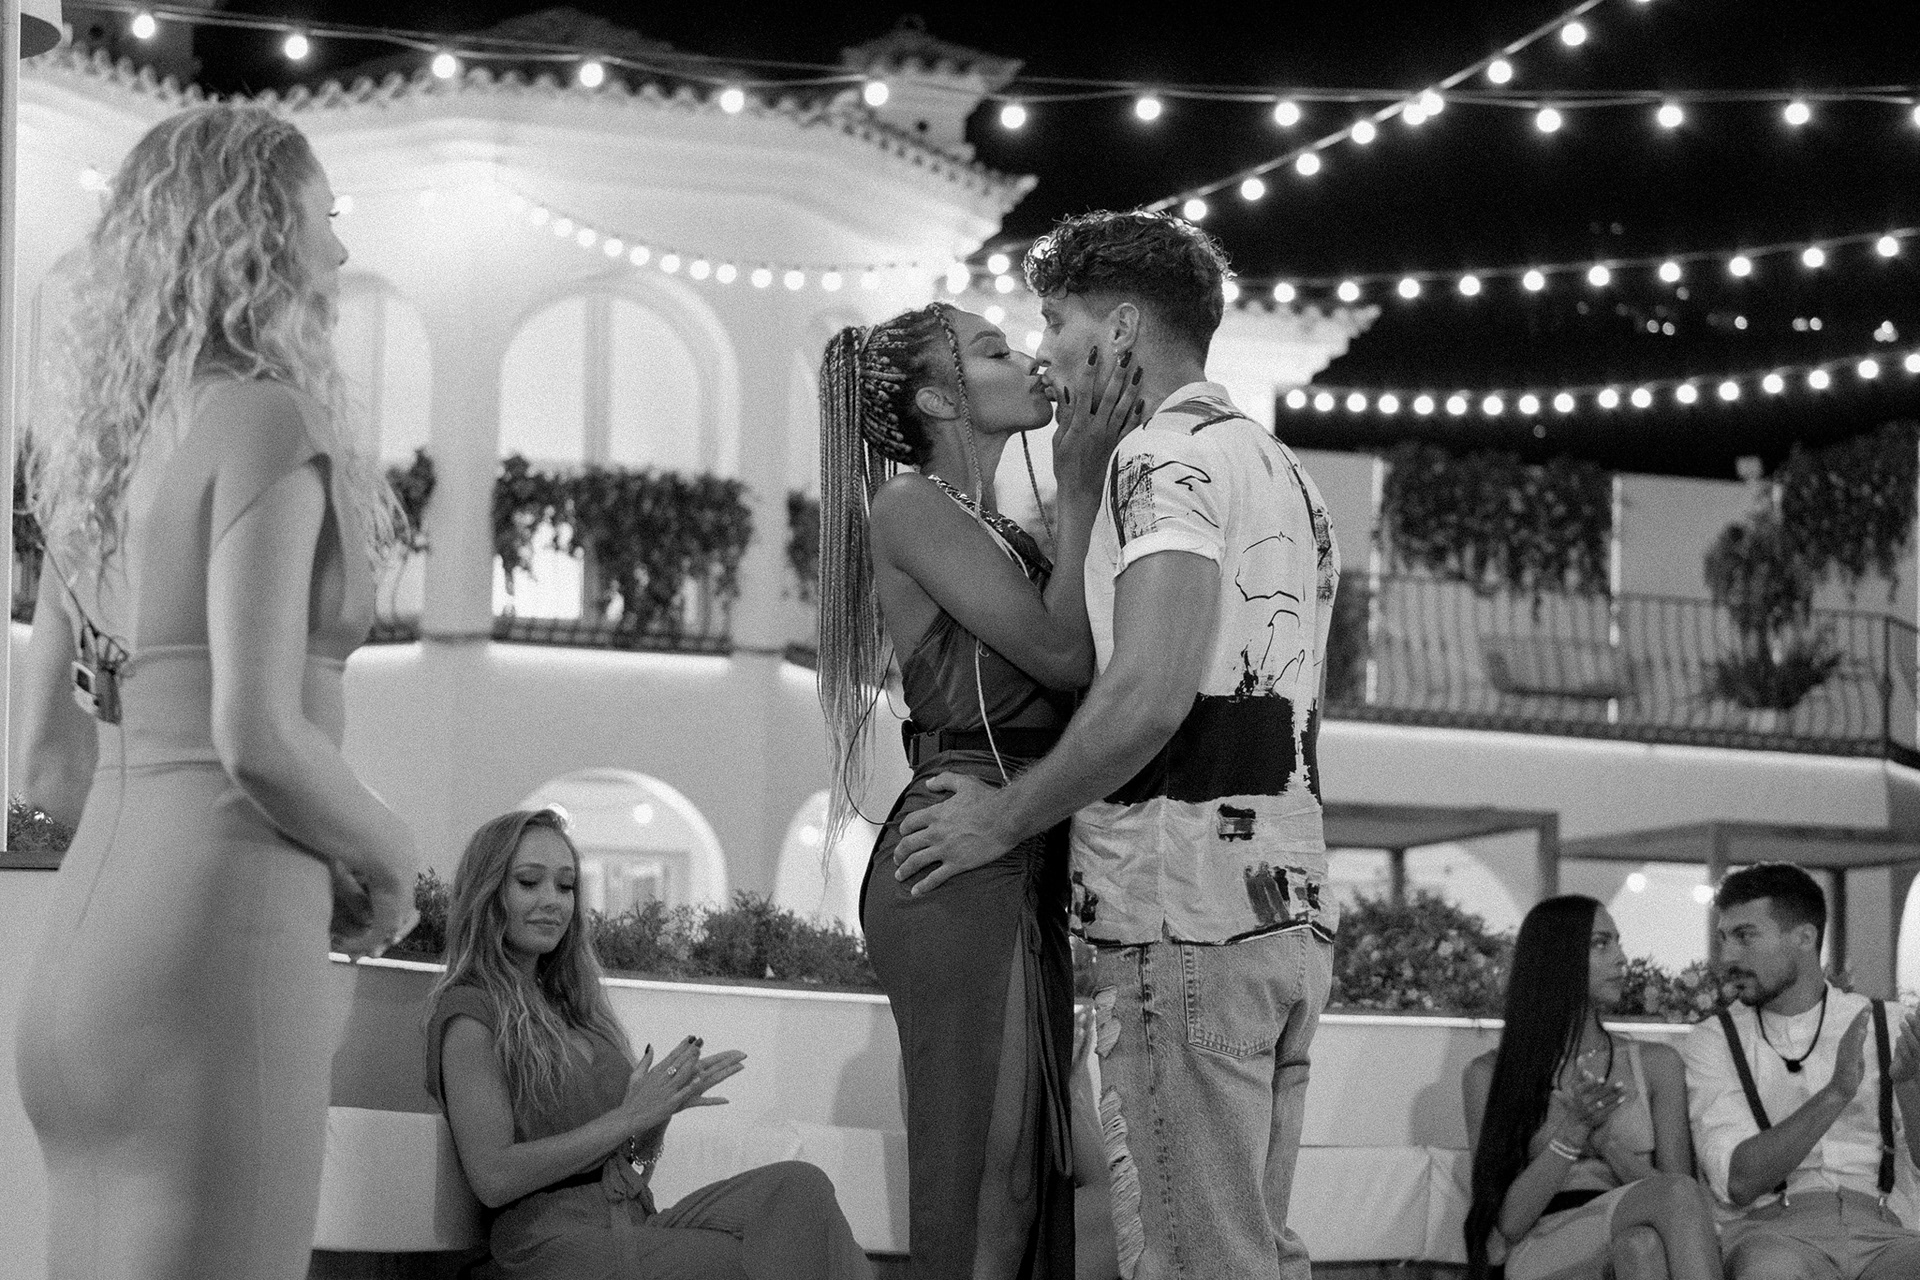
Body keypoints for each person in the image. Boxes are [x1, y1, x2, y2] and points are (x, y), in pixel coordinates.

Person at [13, 105, 421, 1280]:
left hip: (87, 956)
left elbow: (45, 764)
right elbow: (256, 734)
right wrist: (389, 860)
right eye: (324, 217)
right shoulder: (265, 419)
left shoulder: (104, 451)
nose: (340, 250)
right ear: (259, 232)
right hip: (220, 941)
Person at [892, 209, 1340, 1280]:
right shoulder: (1279, 466)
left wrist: (1001, 818)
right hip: (1283, 913)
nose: (1044, 349)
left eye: (1056, 321)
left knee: (1191, 1258)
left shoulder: (1161, 458)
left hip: (1183, 912)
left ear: (1124, 327)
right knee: (1252, 1253)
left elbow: (1147, 692)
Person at [817, 302, 1142, 1279]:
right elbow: (1060, 652)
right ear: (936, 400)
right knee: (986, 1179)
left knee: (1034, 1179)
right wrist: (1079, 487)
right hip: (959, 845)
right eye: (993, 350)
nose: (1030, 358)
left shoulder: (994, 527)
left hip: (1020, 841)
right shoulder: (909, 505)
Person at [425, 808, 873, 1279]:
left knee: (801, 1188)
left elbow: (633, 1163)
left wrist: (656, 1120)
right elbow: (493, 1178)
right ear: (489, 892)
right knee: (739, 1259)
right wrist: (629, 1117)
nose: (552, 900)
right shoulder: (471, 1014)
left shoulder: (574, 1008)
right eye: (529, 882)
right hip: (550, 1241)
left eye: (565, 885)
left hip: (632, 1221)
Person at [1680, 862, 1920, 1280]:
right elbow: (1739, 1181)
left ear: (1805, 938)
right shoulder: (1714, 1039)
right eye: (1724, 938)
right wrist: (1835, 1093)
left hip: (1886, 1230)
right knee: (1769, 1271)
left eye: (1745, 936)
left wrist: (1912, 1088)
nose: (1727, 956)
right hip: (1774, 1233)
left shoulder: (1890, 1024)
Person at [1462, 896, 1722, 1280]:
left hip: (1633, 1231)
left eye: (1617, 942)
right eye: (1601, 944)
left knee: (1643, 1246)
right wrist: (1573, 1132)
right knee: (1670, 1203)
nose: (1621, 958)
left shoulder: (1656, 1064)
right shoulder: (1489, 1074)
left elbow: (1686, 1199)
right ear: (1557, 958)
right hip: (1541, 1244)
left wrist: (1608, 1146)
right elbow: (1509, 1223)